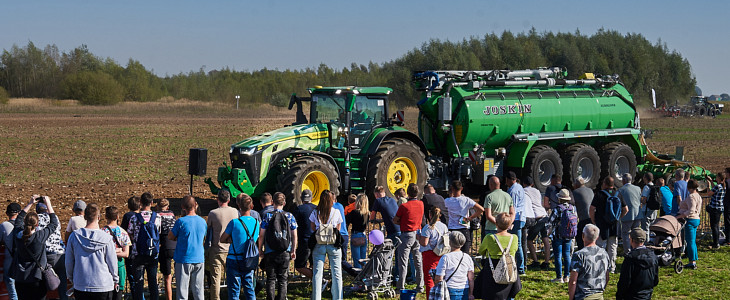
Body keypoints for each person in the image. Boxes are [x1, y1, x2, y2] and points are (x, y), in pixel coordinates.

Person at [66, 203, 119, 300]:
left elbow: (69, 261)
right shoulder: (106, 238)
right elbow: (112, 263)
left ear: (85, 217)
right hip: (103, 285)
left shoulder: (74, 236)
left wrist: (72, 278)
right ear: (99, 217)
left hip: (81, 283)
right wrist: (115, 279)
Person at [10, 195, 58, 300]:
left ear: (25, 223)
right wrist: (48, 204)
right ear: (37, 225)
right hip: (37, 278)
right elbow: (54, 224)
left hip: (21, 278)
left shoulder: (18, 235)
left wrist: (30, 203)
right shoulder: (39, 236)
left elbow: (18, 220)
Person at [258, 192, 298, 300]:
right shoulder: (289, 216)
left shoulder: (268, 216)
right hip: (285, 250)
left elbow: (261, 235)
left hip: (270, 251)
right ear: (284, 203)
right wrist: (293, 250)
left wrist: (260, 249)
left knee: (270, 279)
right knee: (283, 279)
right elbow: (294, 235)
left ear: (272, 202)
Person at [221, 193, 259, 300]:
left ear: (239, 206)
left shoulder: (234, 222)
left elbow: (222, 239)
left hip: (234, 258)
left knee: (234, 291)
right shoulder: (257, 223)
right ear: (251, 206)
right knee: (250, 289)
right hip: (249, 259)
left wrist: (230, 239)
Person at [169, 195, 207, 300]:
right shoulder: (203, 221)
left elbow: (171, 236)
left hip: (183, 259)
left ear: (183, 207)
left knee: (182, 292)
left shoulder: (181, 222)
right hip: (199, 258)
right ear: (196, 205)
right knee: (199, 291)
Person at [476, 212, 521, 300]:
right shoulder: (514, 237)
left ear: (496, 223)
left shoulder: (490, 237)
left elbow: (481, 251)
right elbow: (514, 250)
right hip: (509, 267)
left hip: (492, 267)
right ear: (510, 224)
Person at [309, 190, 344, 300]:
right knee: (337, 273)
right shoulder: (336, 212)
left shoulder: (315, 212)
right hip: (333, 244)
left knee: (317, 274)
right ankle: (338, 297)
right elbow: (338, 229)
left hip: (319, 243)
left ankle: (316, 297)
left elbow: (313, 228)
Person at [127, 192, 161, 300]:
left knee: (138, 284)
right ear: (152, 202)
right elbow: (158, 233)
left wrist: (137, 240)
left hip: (138, 253)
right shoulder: (158, 217)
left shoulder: (134, 217)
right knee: (153, 282)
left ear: (140, 203)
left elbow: (130, 233)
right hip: (152, 253)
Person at [590, 176, 627, 273]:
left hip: (602, 224)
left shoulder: (600, 194)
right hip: (615, 224)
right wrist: (618, 218)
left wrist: (594, 221)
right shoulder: (618, 194)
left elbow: (592, 209)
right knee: (612, 246)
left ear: (604, 184)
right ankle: (612, 267)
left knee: (601, 245)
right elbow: (626, 209)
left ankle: (600, 266)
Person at [206, 189, 239, 300]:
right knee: (232, 277)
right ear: (229, 200)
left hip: (217, 249)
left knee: (215, 278)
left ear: (217, 199)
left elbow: (209, 229)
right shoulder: (235, 212)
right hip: (231, 249)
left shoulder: (213, 213)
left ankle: (215, 298)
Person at [393, 183, 424, 292]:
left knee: (403, 261)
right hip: (417, 233)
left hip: (406, 234)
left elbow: (395, 219)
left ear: (408, 193)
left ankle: (401, 285)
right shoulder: (421, 204)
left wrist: (402, 221)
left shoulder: (404, 206)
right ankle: (420, 285)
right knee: (418, 261)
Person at [36, 199, 68, 300]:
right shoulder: (55, 218)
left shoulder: (36, 219)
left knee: (42, 285)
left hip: (45, 256)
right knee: (63, 285)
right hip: (60, 254)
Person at [568, 224, 610, 300]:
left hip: (583, 296)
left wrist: (571, 298)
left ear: (583, 236)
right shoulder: (604, 253)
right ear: (597, 237)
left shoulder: (579, 255)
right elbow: (607, 277)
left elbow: (573, 281)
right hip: (599, 295)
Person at [615, 228, 659, 300]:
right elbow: (655, 280)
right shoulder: (653, 256)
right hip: (647, 295)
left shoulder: (630, 258)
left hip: (632, 296)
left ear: (631, 240)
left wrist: (619, 296)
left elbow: (625, 281)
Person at [370, 185, 401, 281]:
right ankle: (398, 277)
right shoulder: (392, 200)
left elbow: (372, 215)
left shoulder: (378, 201)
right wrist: (383, 220)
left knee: (387, 254)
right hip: (400, 229)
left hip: (392, 231)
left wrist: (373, 221)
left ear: (376, 194)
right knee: (399, 256)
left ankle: (390, 277)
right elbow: (391, 214)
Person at [433, 231, 474, 300]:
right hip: (464, 289)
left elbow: (439, 278)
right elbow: (471, 278)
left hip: (449, 289)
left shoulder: (445, 257)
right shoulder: (467, 257)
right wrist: (471, 294)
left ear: (450, 242)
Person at [445, 180, 484, 253]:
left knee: (452, 252)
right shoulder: (466, 200)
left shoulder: (447, 201)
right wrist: (470, 218)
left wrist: (450, 196)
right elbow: (481, 209)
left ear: (452, 189)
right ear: (461, 188)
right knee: (465, 253)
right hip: (464, 228)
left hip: (452, 228)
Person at [102, 206, 132, 300]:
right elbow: (126, 254)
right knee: (118, 294)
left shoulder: (101, 232)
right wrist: (117, 251)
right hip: (119, 266)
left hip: (105, 266)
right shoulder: (123, 232)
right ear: (118, 217)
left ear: (106, 216)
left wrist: (111, 252)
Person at [418, 207, 448, 299]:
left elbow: (424, 243)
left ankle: (430, 297)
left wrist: (418, 237)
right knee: (440, 277)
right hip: (441, 253)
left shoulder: (428, 227)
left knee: (429, 280)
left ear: (430, 215)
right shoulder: (444, 226)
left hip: (429, 255)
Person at [524, 176, 551, 270]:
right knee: (545, 239)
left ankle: (535, 261)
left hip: (536, 217)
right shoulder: (537, 191)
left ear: (524, 184)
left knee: (529, 240)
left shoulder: (524, 191)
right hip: (544, 215)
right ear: (532, 184)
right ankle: (546, 262)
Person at [550, 189, 576, 283]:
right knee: (567, 255)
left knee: (558, 255)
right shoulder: (572, 208)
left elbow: (550, 221)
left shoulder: (557, 208)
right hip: (569, 234)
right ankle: (567, 276)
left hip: (558, 234)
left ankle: (559, 277)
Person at [503, 171, 527, 274]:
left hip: (516, 219)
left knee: (517, 244)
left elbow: (513, 207)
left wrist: (510, 221)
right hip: (521, 217)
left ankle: (520, 268)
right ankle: (520, 266)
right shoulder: (519, 187)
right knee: (518, 243)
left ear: (508, 180)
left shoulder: (513, 191)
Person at [676, 179, 702, 269]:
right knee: (692, 241)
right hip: (696, 219)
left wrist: (680, 216)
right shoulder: (698, 196)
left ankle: (692, 262)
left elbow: (691, 210)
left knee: (690, 241)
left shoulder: (691, 197)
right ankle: (694, 258)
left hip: (690, 220)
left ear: (688, 187)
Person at [293, 190, 316, 279]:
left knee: (299, 266)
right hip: (316, 240)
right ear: (312, 198)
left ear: (301, 198)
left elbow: (293, 224)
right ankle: (318, 282)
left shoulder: (299, 209)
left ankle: (319, 280)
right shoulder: (317, 208)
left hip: (304, 241)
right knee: (314, 263)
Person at [0, 203, 21, 300]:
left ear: (7, 213)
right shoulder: (25, 226)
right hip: (23, 263)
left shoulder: (4, 225)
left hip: (9, 261)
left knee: (12, 291)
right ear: (19, 213)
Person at [157, 199, 177, 300]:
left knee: (167, 278)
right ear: (168, 207)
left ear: (157, 207)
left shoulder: (156, 215)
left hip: (165, 246)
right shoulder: (172, 214)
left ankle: (169, 298)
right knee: (179, 275)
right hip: (175, 245)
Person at [618, 173, 642, 255]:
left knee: (626, 233)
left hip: (627, 214)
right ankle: (636, 249)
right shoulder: (638, 188)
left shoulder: (621, 190)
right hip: (638, 214)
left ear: (623, 180)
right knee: (636, 233)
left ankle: (628, 252)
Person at [346, 193, 369, 269]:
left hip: (355, 235)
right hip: (363, 236)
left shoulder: (354, 212)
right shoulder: (367, 214)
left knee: (357, 260)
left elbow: (346, 222)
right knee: (363, 260)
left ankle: (358, 277)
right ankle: (364, 276)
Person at [572, 178, 594, 250]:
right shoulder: (590, 190)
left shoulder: (575, 192)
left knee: (580, 238)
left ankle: (582, 253)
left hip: (583, 218)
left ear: (576, 184)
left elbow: (572, 205)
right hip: (592, 218)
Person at [705, 172, 726, 248]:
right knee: (716, 225)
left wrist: (708, 185)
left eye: (717, 177)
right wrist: (711, 181)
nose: (715, 178)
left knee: (714, 226)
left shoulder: (718, 187)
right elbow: (715, 189)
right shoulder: (722, 186)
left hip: (714, 208)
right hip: (719, 208)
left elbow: (709, 193)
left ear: (719, 178)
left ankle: (716, 243)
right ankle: (715, 241)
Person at [639, 173, 658, 242]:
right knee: (652, 228)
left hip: (646, 210)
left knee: (645, 228)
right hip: (654, 210)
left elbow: (644, 200)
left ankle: (646, 243)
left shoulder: (646, 187)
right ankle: (652, 242)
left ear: (646, 178)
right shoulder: (655, 186)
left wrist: (639, 198)